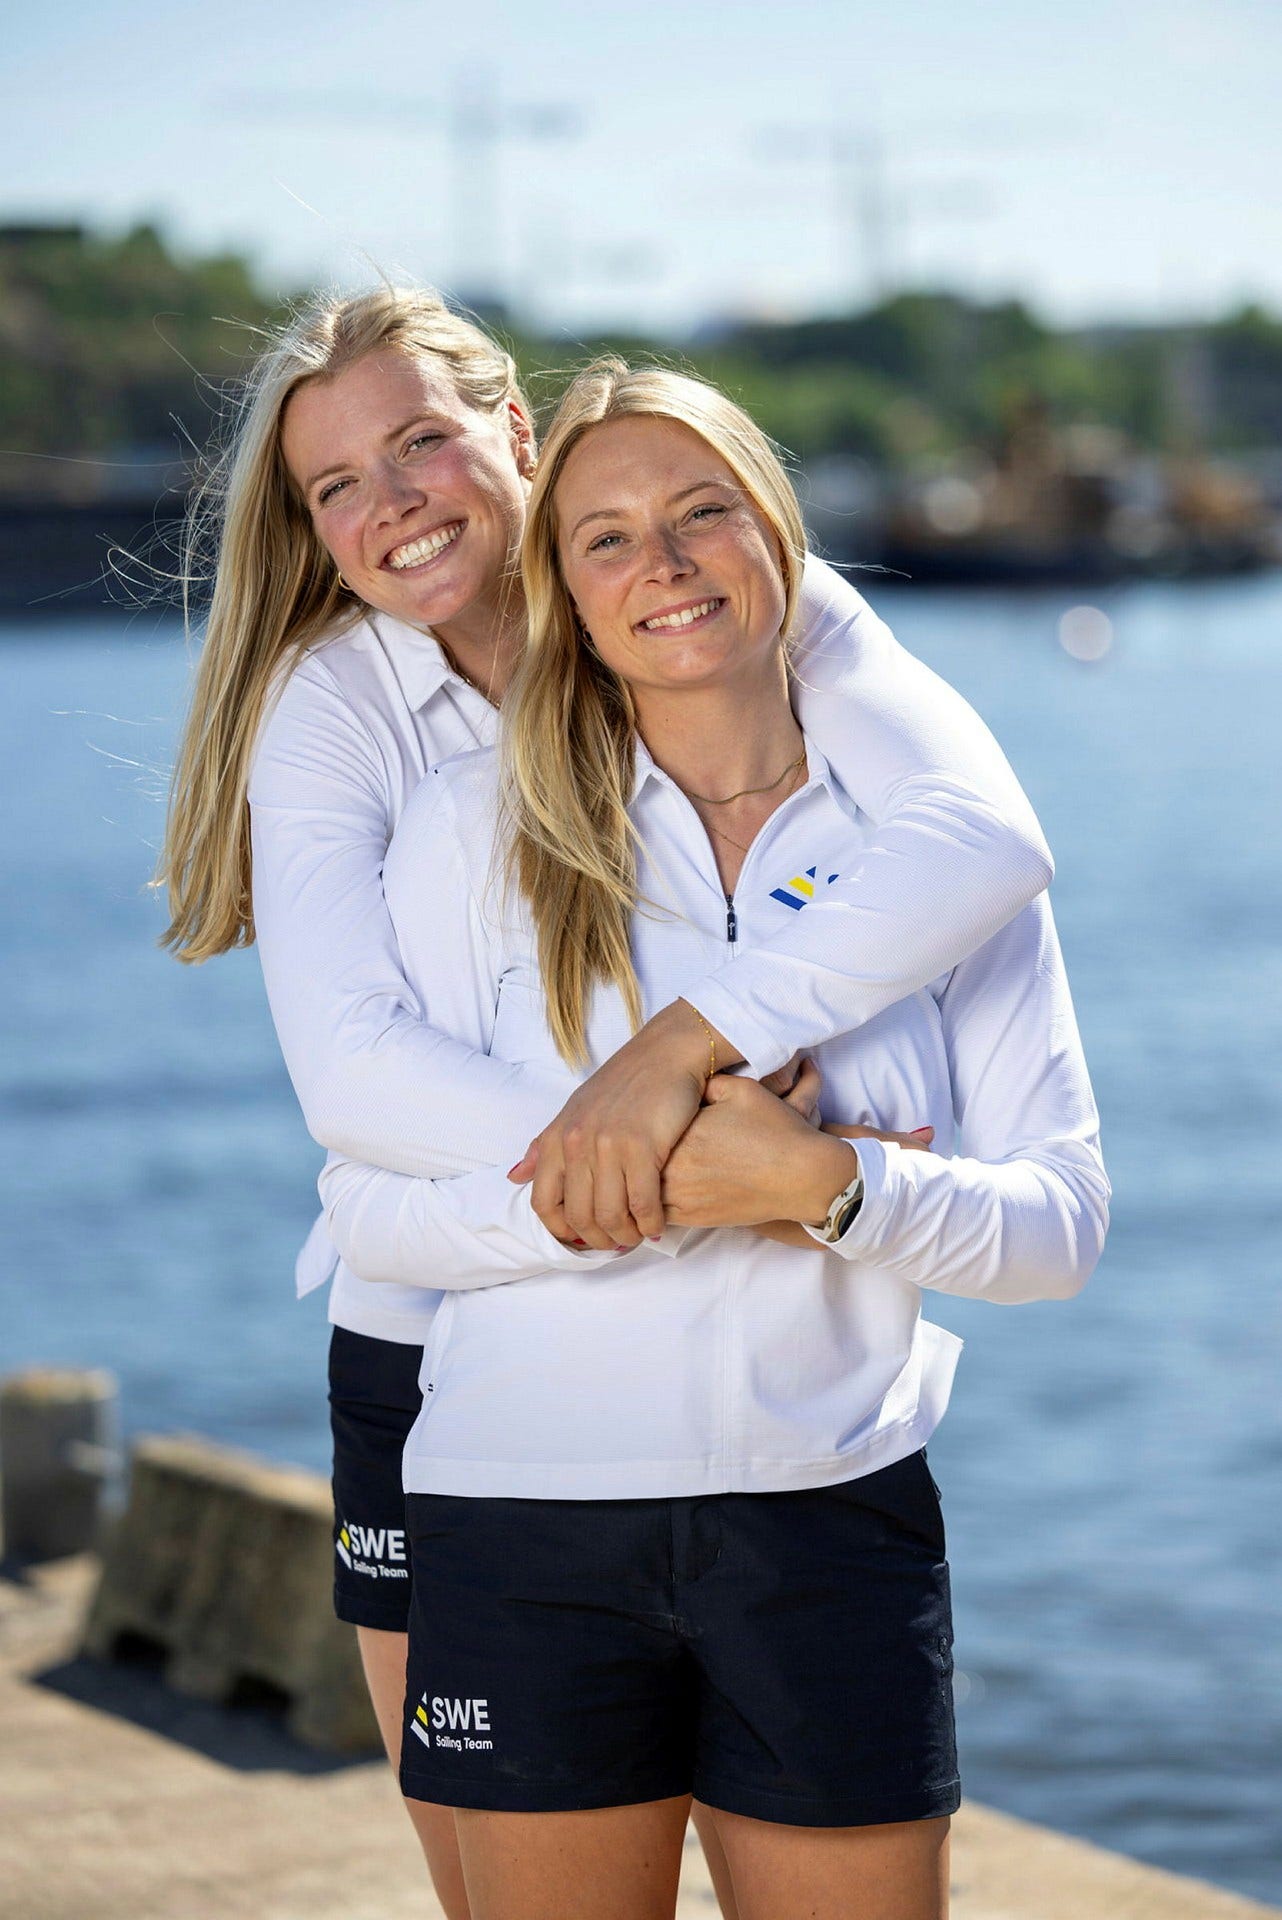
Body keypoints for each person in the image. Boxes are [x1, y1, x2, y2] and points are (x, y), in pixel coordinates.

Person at [159, 289, 1057, 1919]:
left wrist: (707, 1088)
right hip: (428, 1353)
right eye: (337, 485)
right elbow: (355, 1083)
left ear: (514, 428)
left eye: (422, 439)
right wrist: (698, 1151)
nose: (393, 501)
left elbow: (980, 838)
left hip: (770, 1460)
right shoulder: (351, 719)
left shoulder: (753, 605)